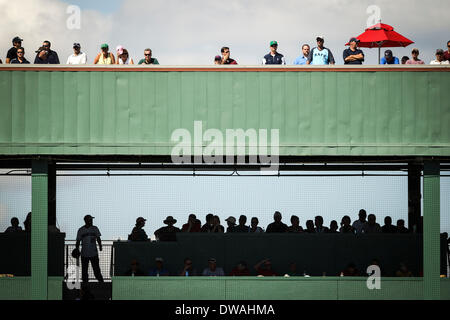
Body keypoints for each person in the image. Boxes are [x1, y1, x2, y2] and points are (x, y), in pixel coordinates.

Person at [75, 215, 104, 283]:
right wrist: (77, 249)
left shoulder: (95, 228)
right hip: (84, 254)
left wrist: (100, 246)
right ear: (86, 220)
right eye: (90, 219)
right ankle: (85, 285)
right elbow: (78, 241)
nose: (91, 221)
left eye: (91, 219)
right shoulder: (81, 230)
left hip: (94, 253)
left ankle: (101, 283)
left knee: (96, 270)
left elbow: (98, 238)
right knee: (84, 271)